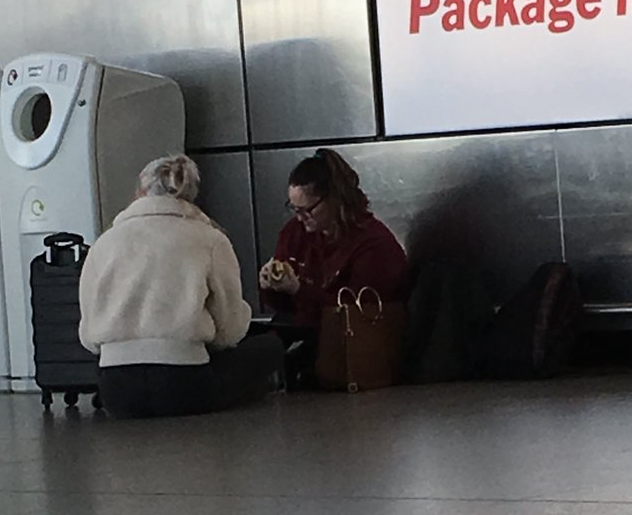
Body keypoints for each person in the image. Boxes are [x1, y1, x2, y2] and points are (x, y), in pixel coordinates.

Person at [79, 155, 283, 419]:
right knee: (271, 347)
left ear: (140, 192)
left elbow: (88, 335)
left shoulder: (104, 243)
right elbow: (229, 330)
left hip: (116, 392)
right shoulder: (210, 239)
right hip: (184, 385)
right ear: (191, 195)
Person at [257, 149, 408, 380]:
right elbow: (284, 307)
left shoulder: (374, 245)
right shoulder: (294, 233)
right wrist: (271, 285)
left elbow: (358, 317)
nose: (300, 217)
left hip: (351, 346)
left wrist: (298, 290)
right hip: (304, 330)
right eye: (294, 209)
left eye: (307, 210)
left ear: (334, 200)